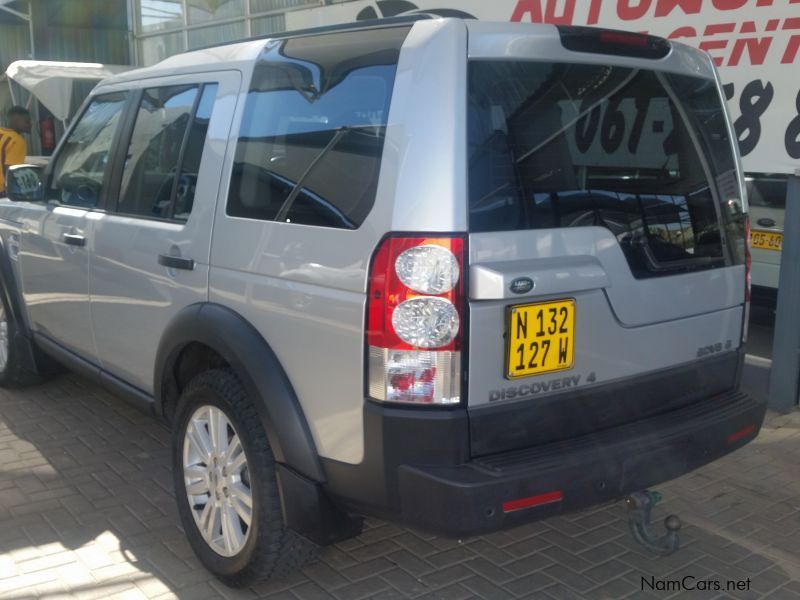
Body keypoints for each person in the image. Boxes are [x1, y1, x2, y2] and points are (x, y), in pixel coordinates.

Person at [0, 106, 31, 193]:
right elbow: (11, 171)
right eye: (27, 122)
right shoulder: (17, 141)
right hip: (3, 191)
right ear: (16, 121)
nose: (30, 124)